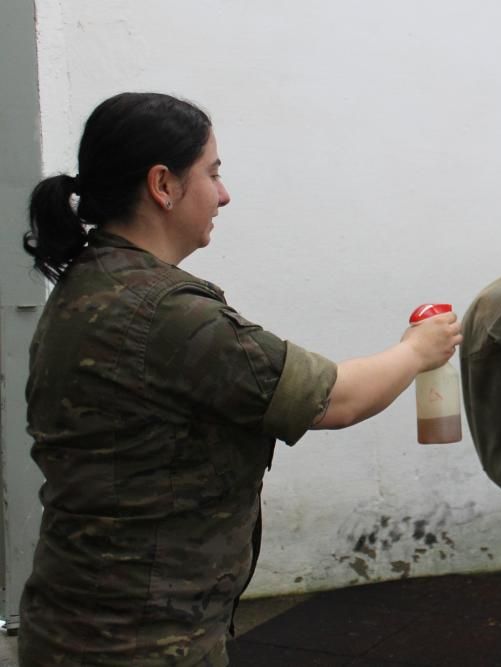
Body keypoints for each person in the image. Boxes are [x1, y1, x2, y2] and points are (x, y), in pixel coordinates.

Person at [18, 92, 462, 666]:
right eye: (213, 173)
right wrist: (418, 350)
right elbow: (336, 399)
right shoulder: (166, 314)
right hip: (144, 645)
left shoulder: (90, 283)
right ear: (163, 185)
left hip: (73, 626)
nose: (223, 194)